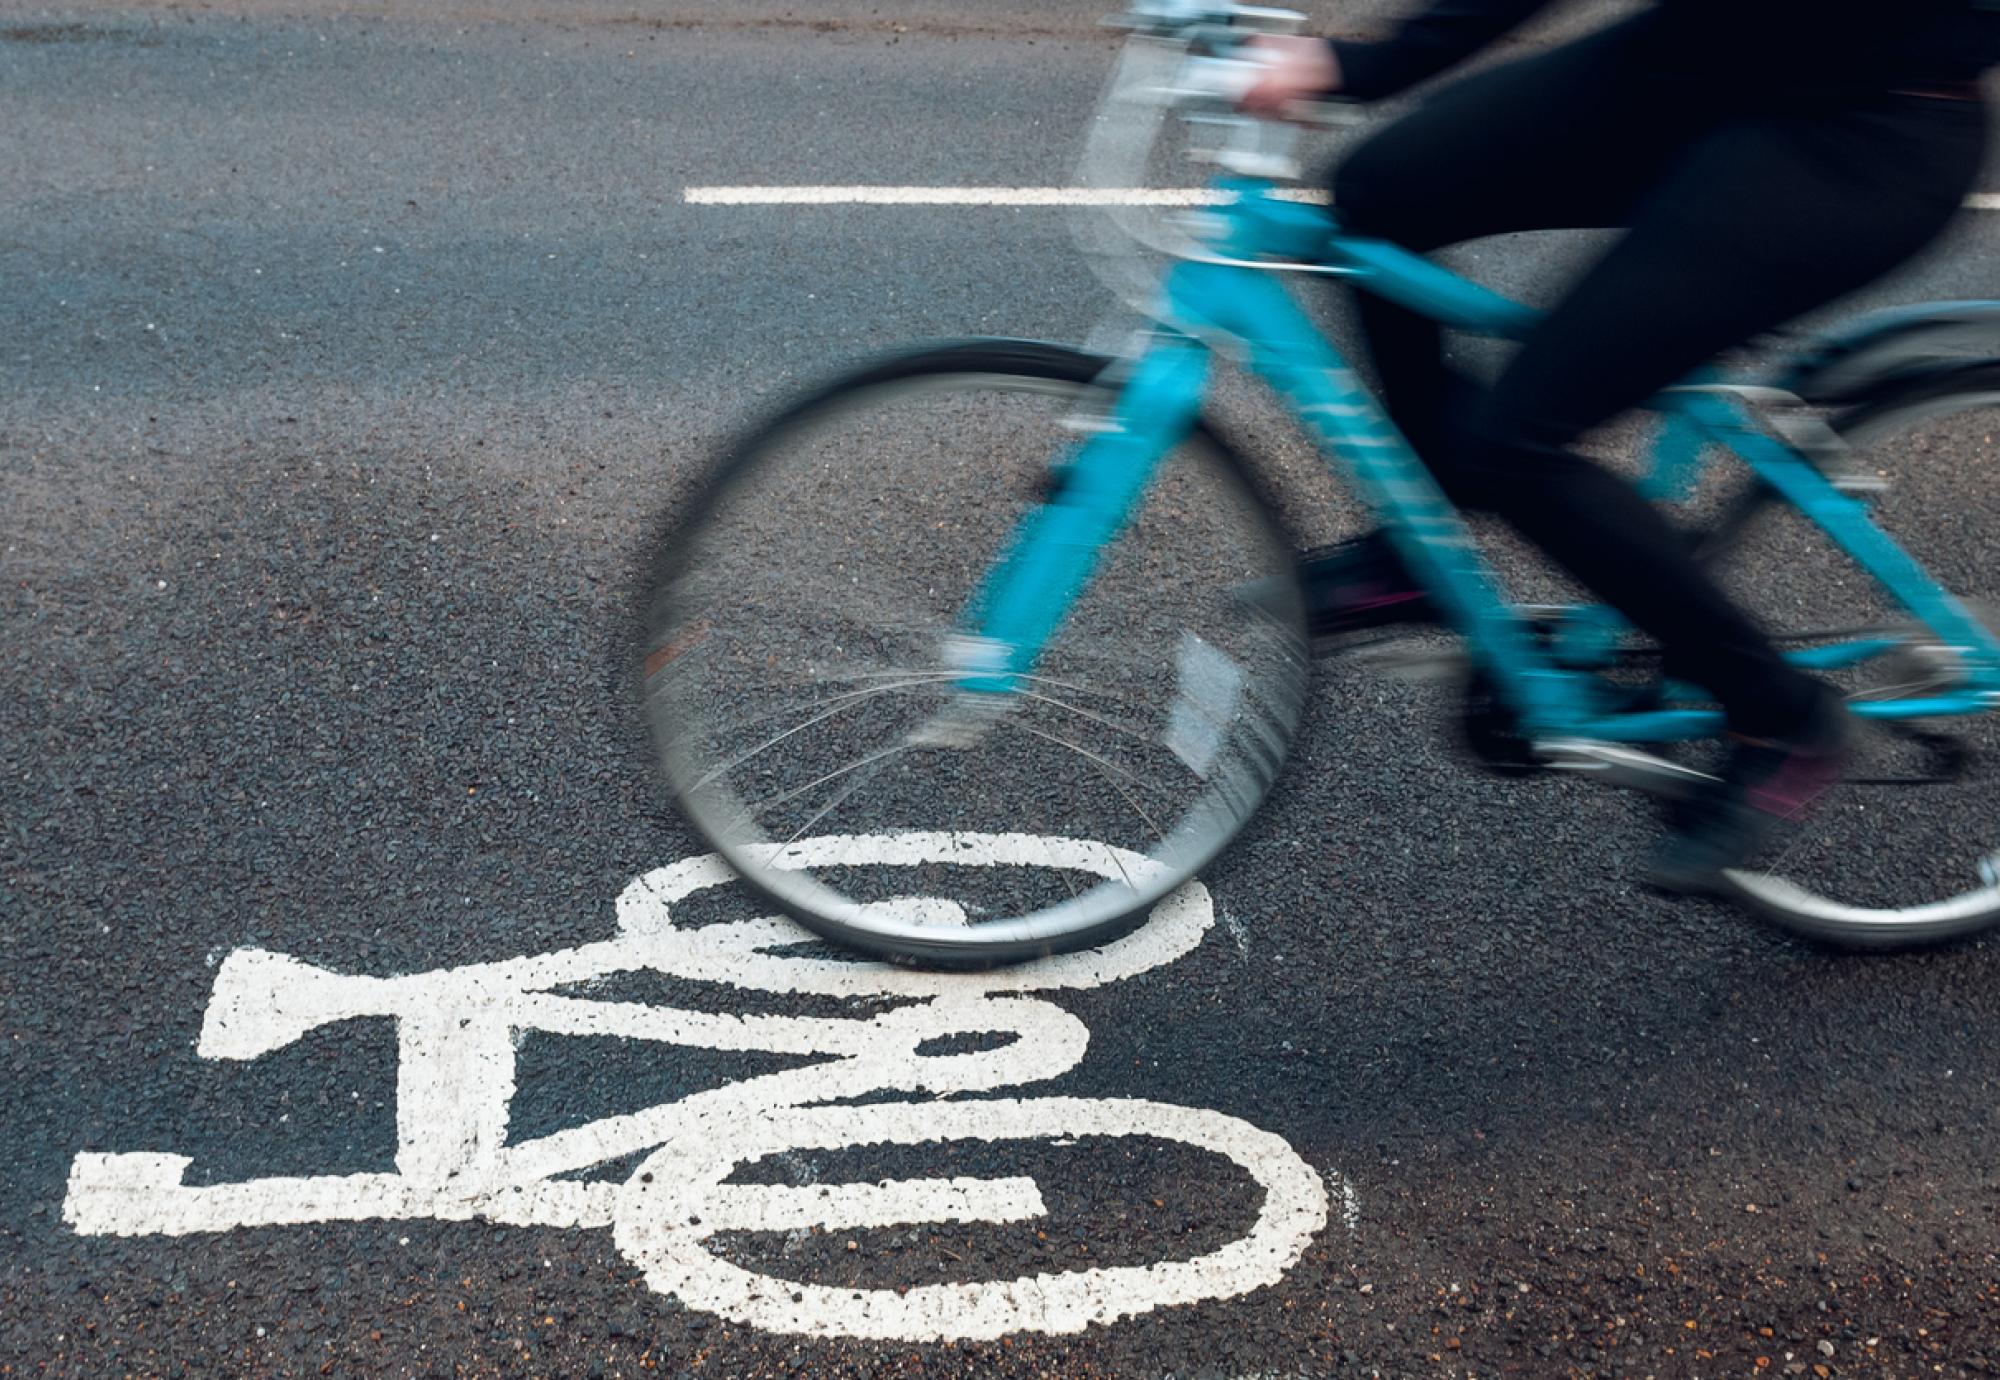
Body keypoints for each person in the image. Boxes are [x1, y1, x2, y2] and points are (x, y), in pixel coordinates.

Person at [1237, 0, 1997, 890]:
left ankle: (1781, 716)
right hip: (1698, 59)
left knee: (1512, 442)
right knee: (1378, 194)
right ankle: (1423, 545)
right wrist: (1358, 62)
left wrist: (1358, 64)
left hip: (1861, 129)